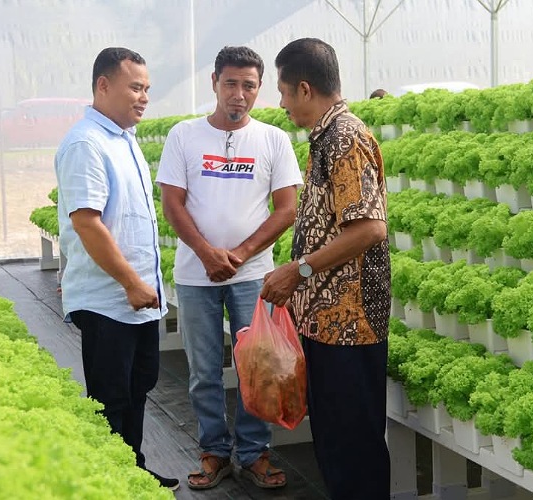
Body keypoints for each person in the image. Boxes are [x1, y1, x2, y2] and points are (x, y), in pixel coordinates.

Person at [155, 45, 303, 490]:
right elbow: (172, 203)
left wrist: (238, 254)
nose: (239, 94)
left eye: (249, 86)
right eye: (231, 83)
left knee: (259, 366)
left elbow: (286, 208)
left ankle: (254, 453)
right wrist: (205, 253)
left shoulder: (273, 140)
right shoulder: (184, 136)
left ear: (259, 89)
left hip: (253, 275)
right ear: (215, 83)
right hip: (196, 275)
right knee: (203, 370)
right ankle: (214, 452)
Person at [261, 37, 391, 500]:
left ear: (303, 88)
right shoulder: (326, 138)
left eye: (280, 92)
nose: (280, 104)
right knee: (337, 446)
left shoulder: (344, 138)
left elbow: (370, 229)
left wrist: (300, 271)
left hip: (350, 325)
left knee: (353, 448)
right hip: (328, 322)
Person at [54, 47, 179, 491]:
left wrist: (144, 286)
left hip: (139, 297)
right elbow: (87, 223)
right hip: (110, 299)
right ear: (103, 85)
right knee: (111, 396)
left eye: (147, 88)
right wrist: (129, 282)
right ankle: (111, 481)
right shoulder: (86, 143)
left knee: (138, 386)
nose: (144, 97)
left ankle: (132, 468)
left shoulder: (123, 140)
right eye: (135, 87)